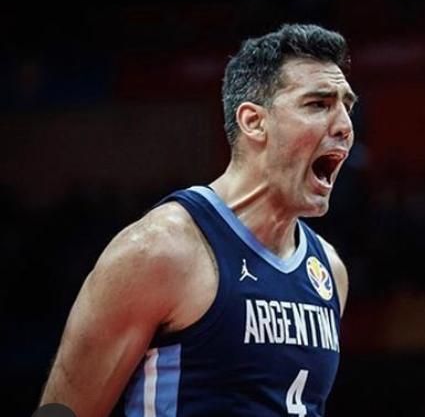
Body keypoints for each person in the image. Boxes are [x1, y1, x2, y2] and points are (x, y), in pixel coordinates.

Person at [39, 23, 356, 417]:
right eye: (318, 104)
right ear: (253, 121)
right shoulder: (159, 250)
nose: (345, 126)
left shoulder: (329, 271)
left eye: (347, 106)